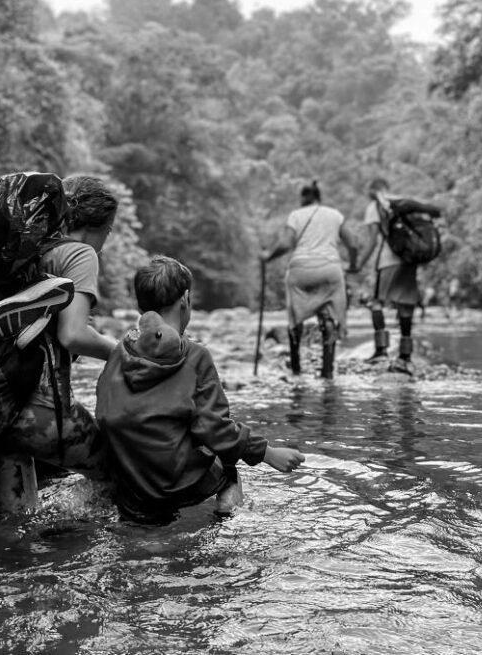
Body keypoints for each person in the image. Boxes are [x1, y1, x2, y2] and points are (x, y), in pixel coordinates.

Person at [95, 256, 305, 524]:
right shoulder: (195, 356)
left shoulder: (119, 352)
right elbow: (215, 428)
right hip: (178, 486)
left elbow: (104, 410)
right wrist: (268, 453)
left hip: (131, 488)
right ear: (185, 299)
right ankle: (224, 515)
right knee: (229, 463)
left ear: (141, 306)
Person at [0, 175, 120, 514]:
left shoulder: (23, 250)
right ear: (99, 225)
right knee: (124, 478)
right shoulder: (79, 254)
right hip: (33, 410)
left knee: (13, 527)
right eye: (108, 232)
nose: (105, 243)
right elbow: (73, 334)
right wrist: (124, 353)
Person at [260, 181, 361, 379]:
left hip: (301, 270)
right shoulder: (335, 215)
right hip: (330, 269)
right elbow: (354, 244)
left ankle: (296, 369)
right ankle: (327, 372)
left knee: (295, 318)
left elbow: (286, 244)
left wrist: (267, 257)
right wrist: (354, 265)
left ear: (303, 198)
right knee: (329, 315)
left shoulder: (296, 215)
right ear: (319, 197)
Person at [356, 177, 444, 375]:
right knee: (406, 306)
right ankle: (405, 356)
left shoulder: (376, 205)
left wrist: (357, 265)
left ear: (371, 190)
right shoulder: (403, 203)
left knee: (377, 302)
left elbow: (371, 242)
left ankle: (381, 350)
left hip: (388, 260)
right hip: (408, 260)